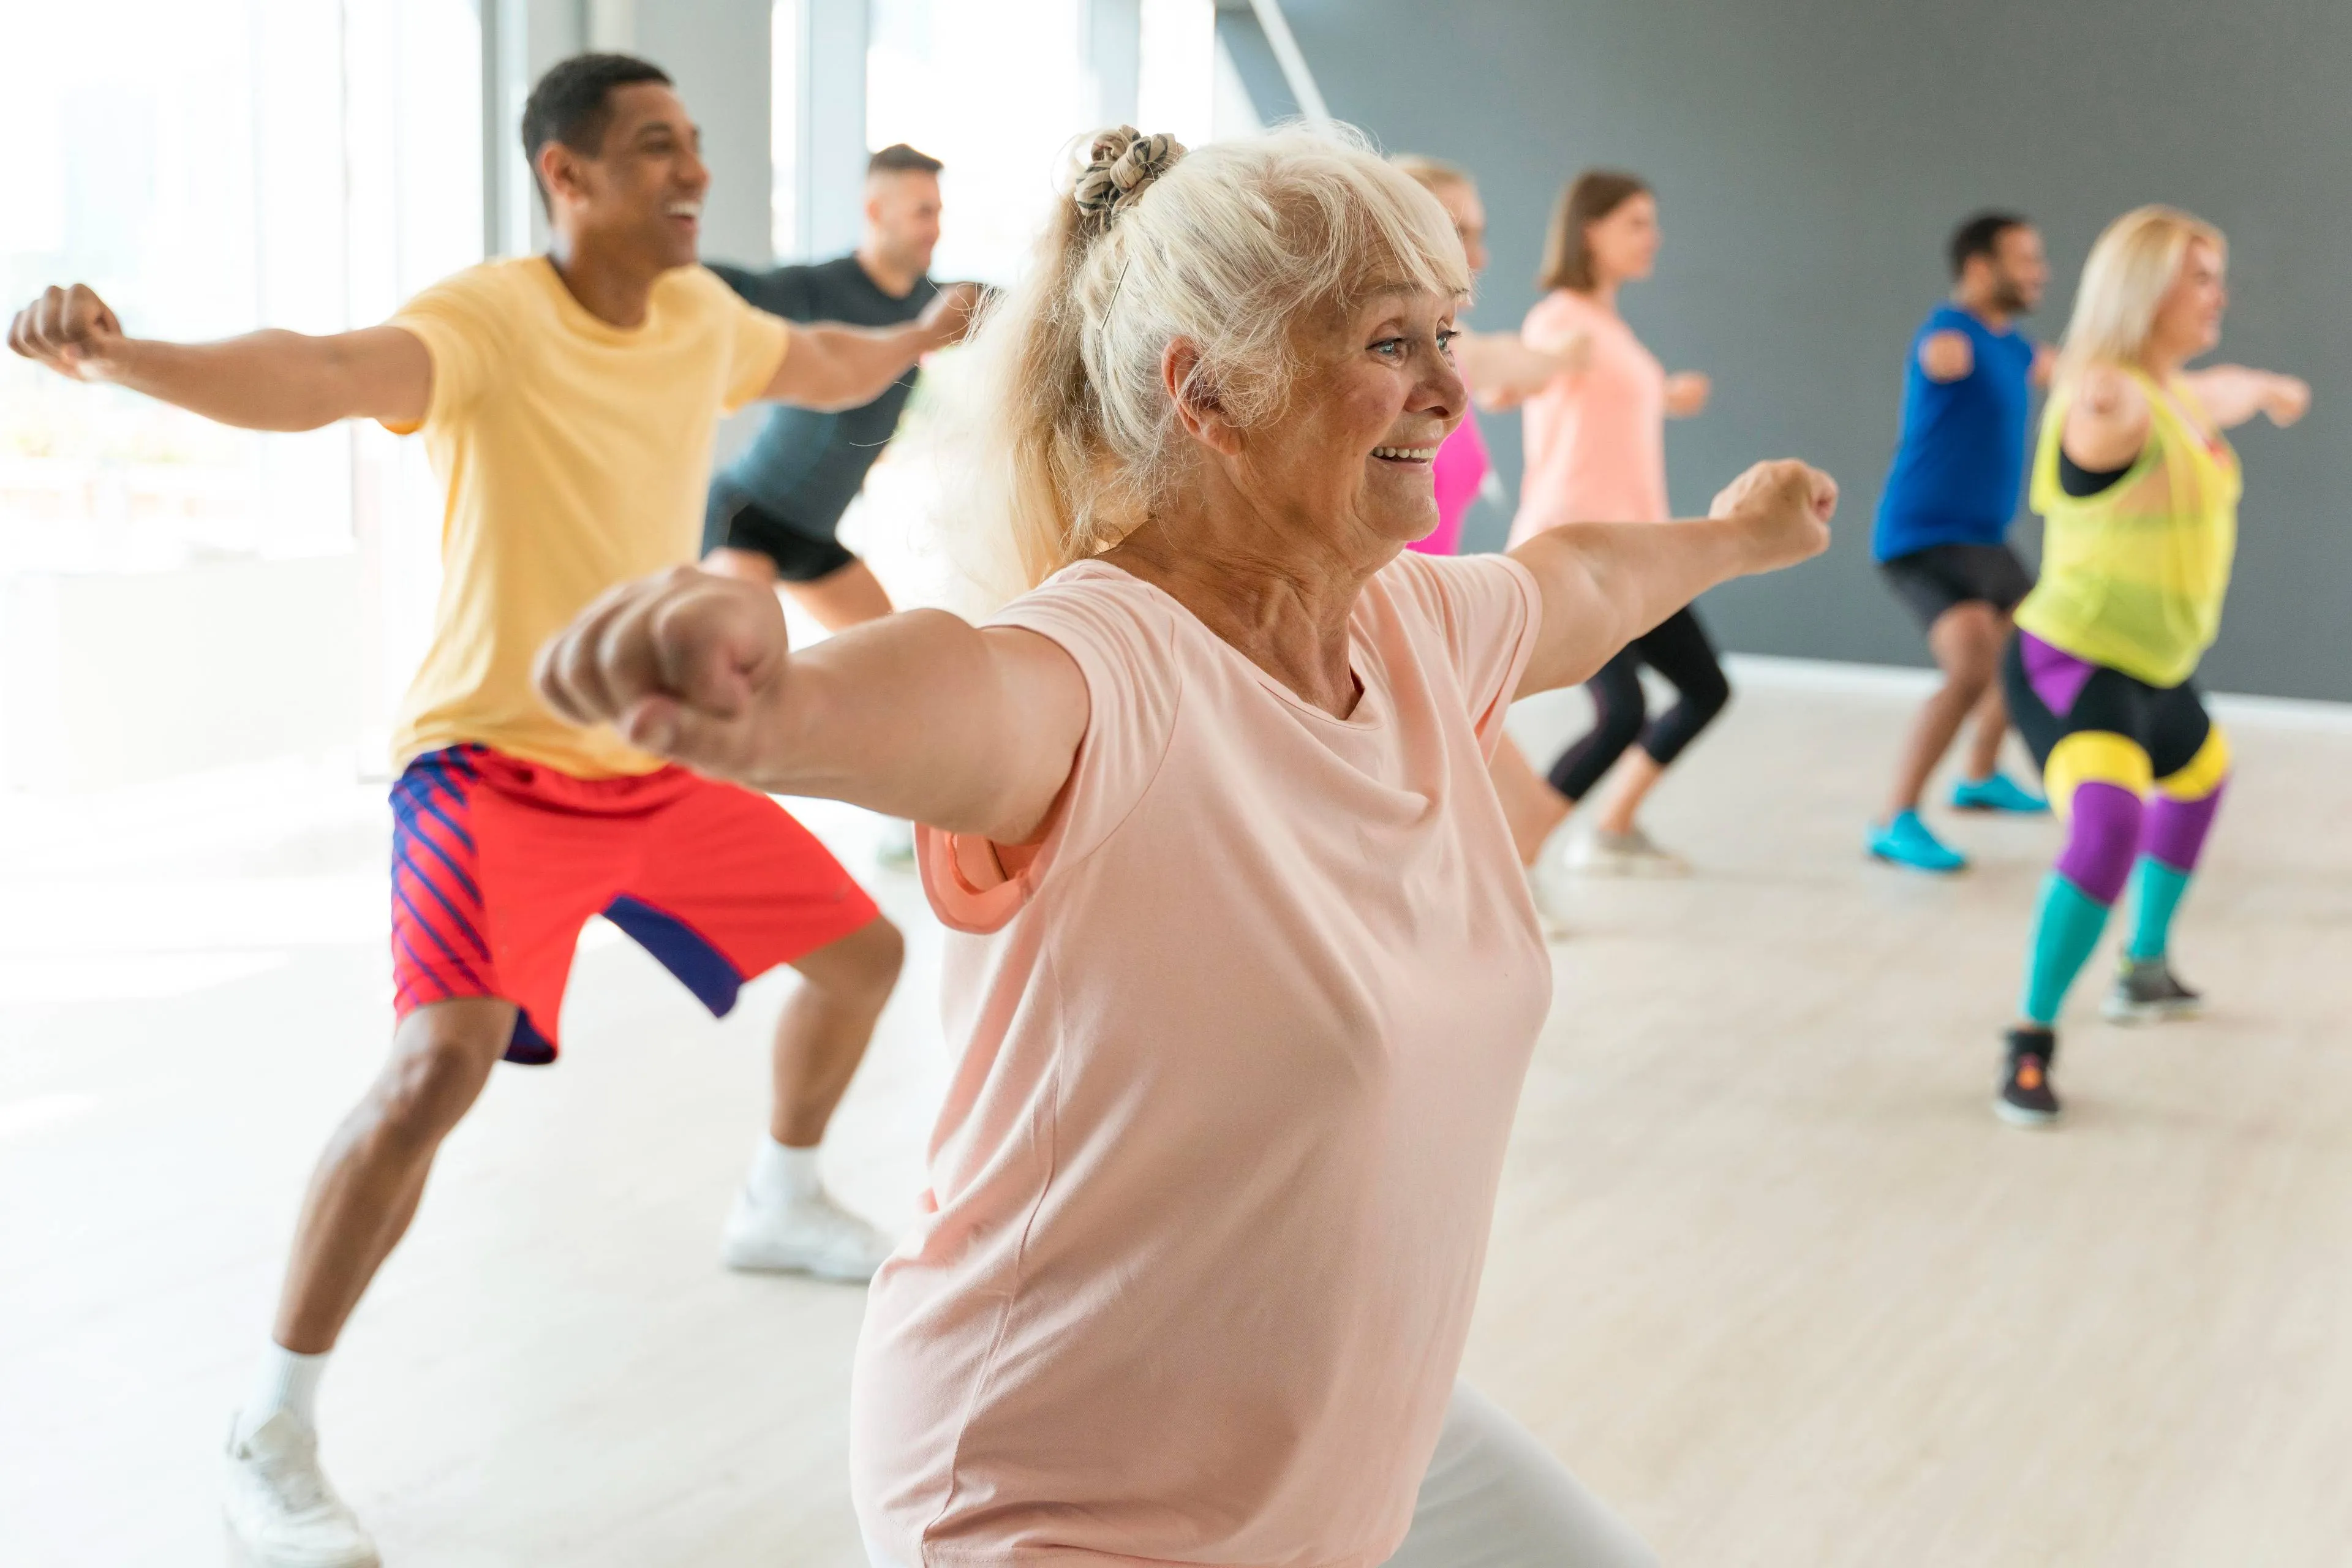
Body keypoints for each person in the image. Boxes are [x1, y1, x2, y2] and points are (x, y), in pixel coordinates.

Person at [537, 123, 1835, 1568]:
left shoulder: (1409, 626)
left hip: (1332, 1442)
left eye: (1446, 333)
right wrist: (766, 707)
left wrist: (1738, 536)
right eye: (1390, 343)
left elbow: (1580, 575)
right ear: (1205, 392)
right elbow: (954, 690)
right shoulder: (1101, 666)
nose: (1452, 389)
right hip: (1061, 1492)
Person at [9, 52, 976, 1568]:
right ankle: (267, 1427)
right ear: (566, 176)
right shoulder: (491, 319)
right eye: (655, 148)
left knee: (863, 955)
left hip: (649, 759)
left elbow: (822, 366)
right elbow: (319, 372)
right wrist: (128, 363)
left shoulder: (700, 318)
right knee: (430, 1071)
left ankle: (776, 1196)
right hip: (486, 761)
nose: (692, 173)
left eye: (696, 146)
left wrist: (920, 329)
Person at [1992, 205, 2307, 1126]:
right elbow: (2106, 403)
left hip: (2157, 667)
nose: (2218, 293)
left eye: (2217, 275)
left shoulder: (2177, 391)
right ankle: (2029, 1040)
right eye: (2197, 277)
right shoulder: (2116, 396)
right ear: (2142, 292)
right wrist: (2093, 395)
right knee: (2108, 828)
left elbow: (2222, 390)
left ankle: (2144, 966)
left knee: (2203, 776)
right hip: (2072, 660)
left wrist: (2273, 387)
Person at [1493, 170, 1722, 881]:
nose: (1653, 237)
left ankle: (1615, 828)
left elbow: (1610, 403)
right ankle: (1512, 863)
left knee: (1706, 688)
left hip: (1638, 551)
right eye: (1637, 222)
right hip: (1577, 553)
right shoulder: (1561, 320)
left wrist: (1667, 395)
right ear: (1590, 229)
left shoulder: (1610, 328)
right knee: (1622, 710)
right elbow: (1515, 382)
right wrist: (1514, 377)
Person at [1867, 212, 2056, 874]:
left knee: (2032, 651)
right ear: (1981, 267)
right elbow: (1937, 354)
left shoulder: (2014, 346)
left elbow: (2064, 366)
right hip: (1921, 536)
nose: (2040, 273)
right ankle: (1893, 819)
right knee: (1973, 668)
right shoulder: (1951, 334)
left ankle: (1977, 776)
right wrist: (1940, 359)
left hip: (1983, 538)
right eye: (2026, 260)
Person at [703, 141, 954, 625]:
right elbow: (736, 286)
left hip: (814, 538)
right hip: (746, 519)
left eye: (939, 212)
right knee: (743, 653)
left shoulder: (933, 305)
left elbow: (1008, 303)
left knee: (891, 663)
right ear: (876, 212)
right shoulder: (817, 287)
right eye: (924, 213)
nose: (936, 229)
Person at [1389, 155, 1582, 557]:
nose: (1479, 259)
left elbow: (1513, 361)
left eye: (1479, 236)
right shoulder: (1378, 362)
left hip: (1421, 610)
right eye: (1458, 234)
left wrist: (1565, 357)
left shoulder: (1452, 351)